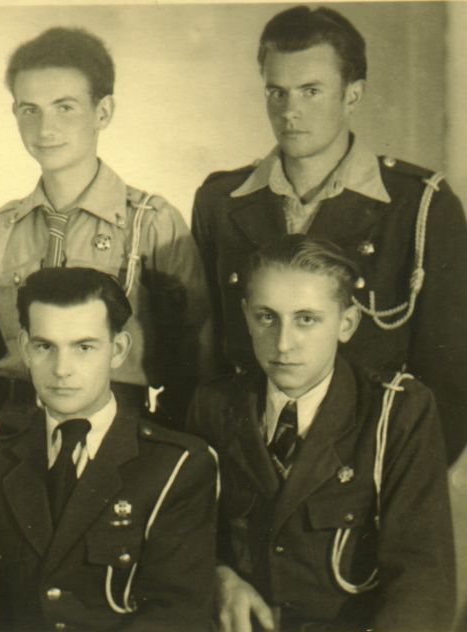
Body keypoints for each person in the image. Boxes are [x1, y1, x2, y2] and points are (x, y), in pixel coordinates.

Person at [191, 5, 467, 465]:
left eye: (311, 91)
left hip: (372, 467)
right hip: (245, 467)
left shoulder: (418, 206)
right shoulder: (222, 201)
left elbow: (452, 379)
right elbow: (204, 358)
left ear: (352, 95)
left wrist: (403, 479)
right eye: (276, 92)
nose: (290, 111)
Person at [187, 235, 454, 632]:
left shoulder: (397, 412)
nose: (283, 343)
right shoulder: (214, 405)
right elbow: (183, 533)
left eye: (306, 319)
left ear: (346, 324)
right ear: (245, 316)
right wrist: (218, 576)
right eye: (266, 317)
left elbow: (422, 580)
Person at [0, 27, 212, 431]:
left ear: (103, 112)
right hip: (19, 432)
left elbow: (196, 354)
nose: (45, 128)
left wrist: (167, 442)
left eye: (65, 107)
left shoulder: (151, 223)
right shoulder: (0, 230)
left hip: (125, 428)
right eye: (30, 110)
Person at [0, 266, 217, 631]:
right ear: (24, 349)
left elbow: (175, 615)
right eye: (45, 347)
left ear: (118, 350)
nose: (62, 369)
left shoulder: (176, 466)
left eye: (84, 347)